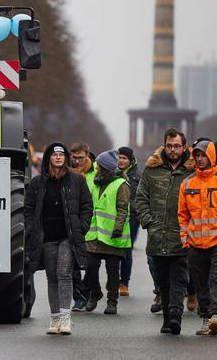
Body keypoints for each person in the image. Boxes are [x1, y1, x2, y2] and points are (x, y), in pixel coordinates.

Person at [25, 143, 93, 334]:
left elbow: (87, 206)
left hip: (68, 237)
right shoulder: (38, 183)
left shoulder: (77, 180)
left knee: (64, 273)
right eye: (54, 154)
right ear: (48, 158)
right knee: (51, 276)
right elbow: (28, 209)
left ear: (66, 158)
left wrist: (82, 227)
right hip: (46, 237)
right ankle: (54, 320)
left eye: (61, 154)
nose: (58, 157)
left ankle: (65, 319)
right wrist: (31, 229)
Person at [137, 128, 195, 334]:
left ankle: (175, 317)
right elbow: (141, 198)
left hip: (182, 236)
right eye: (169, 146)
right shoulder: (152, 170)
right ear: (164, 145)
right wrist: (148, 222)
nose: (173, 149)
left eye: (177, 146)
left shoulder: (192, 171)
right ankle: (166, 318)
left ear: (184, 147)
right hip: (157, 235)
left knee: (179, 278)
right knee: (163, 281)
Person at [83, 149, 131, 315]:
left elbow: (123, 209)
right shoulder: (96, 183)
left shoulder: (121, 185)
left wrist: (117, 228)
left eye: (99, 166)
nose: (96, 169)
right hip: (94, 235)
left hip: (113, 236)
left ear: (105, 168)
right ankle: (95, 293)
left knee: (112, 270)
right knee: (90, 266)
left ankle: (112, 302)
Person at [180, 139, 217, 335]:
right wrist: (185, 238)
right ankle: (206, 319)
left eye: (203, 155)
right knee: (200, 282)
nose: (200, 159)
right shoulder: (187, 183)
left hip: (216, 242)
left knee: (215, 280)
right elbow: (183, 215)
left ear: (211, 155)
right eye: (197, 155)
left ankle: (215, 316)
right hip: (195, 243)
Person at [69, 143, 96, 310]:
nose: (77, 161)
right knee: (72, 265)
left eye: (81, 157)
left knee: (91, 266)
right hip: (72, 226)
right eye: (74, 157)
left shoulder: (97, 173)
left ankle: (88, 291)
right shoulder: (66, 172)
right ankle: (79, 297)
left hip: (94, 227)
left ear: (87, 155)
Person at [118, 146, 141, 297]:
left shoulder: (138, 176)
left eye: (124, 158)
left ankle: (124, 282)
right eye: (119, 157)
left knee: (127, 250)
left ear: (130, 160)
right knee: (112, 251)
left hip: (132, 217)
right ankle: (115, 279)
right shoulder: (111, 173)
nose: (121, 160)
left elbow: (141, 197)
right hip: (114, 217)